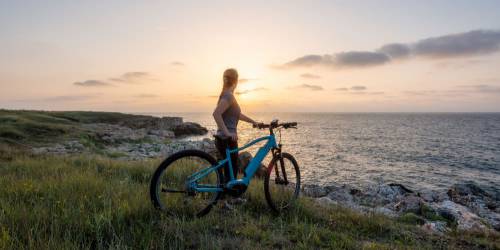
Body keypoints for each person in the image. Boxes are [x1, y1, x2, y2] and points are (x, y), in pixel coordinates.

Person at [212, 68, 260, 185]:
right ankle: (227, 194)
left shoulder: (226, 95)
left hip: (222, 139)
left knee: (229, 171)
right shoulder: (229, 96)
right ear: (236, 81)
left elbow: (237, 115)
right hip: (227, 140)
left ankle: (224, 195)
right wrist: (228, 133)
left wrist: (253, 122)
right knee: (231, 171)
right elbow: (216, 114)